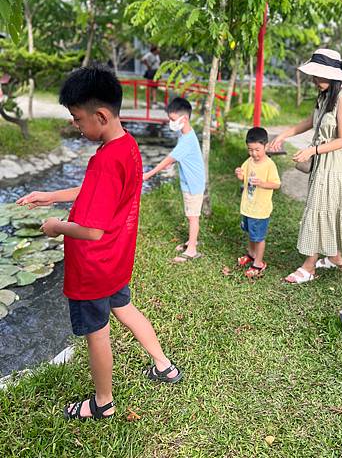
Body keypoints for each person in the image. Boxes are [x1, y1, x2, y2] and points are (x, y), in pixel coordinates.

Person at [17, 66, 182, 420]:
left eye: (78, 119)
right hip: (116, 261)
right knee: (125, 309)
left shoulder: (107, 160)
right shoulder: (128, 146)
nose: (76, 126)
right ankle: (163, 365)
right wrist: (50, 195)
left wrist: (57, 226)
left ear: (101, 116)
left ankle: (103, 402)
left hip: (93, 267)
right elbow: (99, 195)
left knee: (97, 334)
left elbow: (92, 231)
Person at [269, 48, 342, 284]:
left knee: (319, 208)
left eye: (318, 75)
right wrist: (284, 135)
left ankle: (309, 267)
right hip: (323, 161)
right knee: (326, 208)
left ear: (333, 75)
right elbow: (312, 121)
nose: (314, 79)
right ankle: (335, 258)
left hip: (335, 163)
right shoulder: (325, 95)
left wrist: (312, 150)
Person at [143, 97, 205, 262]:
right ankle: (191, 241)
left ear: (184, 119)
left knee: (193, 216)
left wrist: (147, 175)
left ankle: (192, 250)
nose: (170, 122)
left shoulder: (187, 140)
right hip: (190, 181)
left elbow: (167, 160)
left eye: (172, 119)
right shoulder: (185, 135)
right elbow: (178, 158)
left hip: (193, 184)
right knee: (190, 213)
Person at [235, 127, 281, 278]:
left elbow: (276, 184)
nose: (253, 153)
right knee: (250, 233)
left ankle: (258, 263)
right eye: (250, 150)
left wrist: (262, 183)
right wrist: (239, 174)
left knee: (259, 237)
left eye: (257, 150)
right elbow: (243, 177)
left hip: (260, 210)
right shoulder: (249, 161)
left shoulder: (269, 165)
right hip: (248, 207)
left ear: (266, 146)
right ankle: (251, 254)